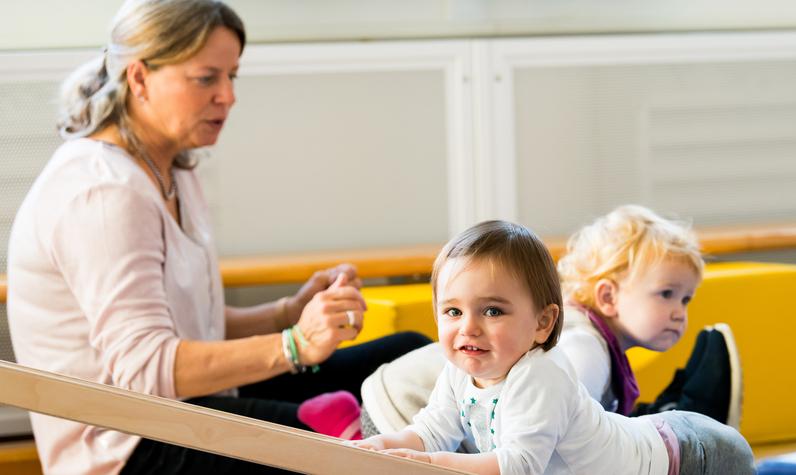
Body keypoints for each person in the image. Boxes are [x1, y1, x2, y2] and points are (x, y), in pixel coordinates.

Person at [4, 1, 429, 474]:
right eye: (207, 78)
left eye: (232, 77)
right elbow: (145, 370)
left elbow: (187, 322)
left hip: (186, 405)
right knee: (355, 440)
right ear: (139, 78)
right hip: (128, 445)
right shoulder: (103, 193)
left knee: (408, 356)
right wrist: (294, 344)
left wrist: (287, 313)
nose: (227, 96)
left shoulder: (170, 165)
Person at [352, 220, 754, 474]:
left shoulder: (542, 372)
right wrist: (381, 446)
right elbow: (431, 430)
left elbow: (521, 466)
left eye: (492, 311)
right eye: (452, 312)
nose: (468, 327)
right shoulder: (462, 369)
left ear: (543, 324)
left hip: (689, 455)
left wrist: (429, 464)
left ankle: (685, 407)